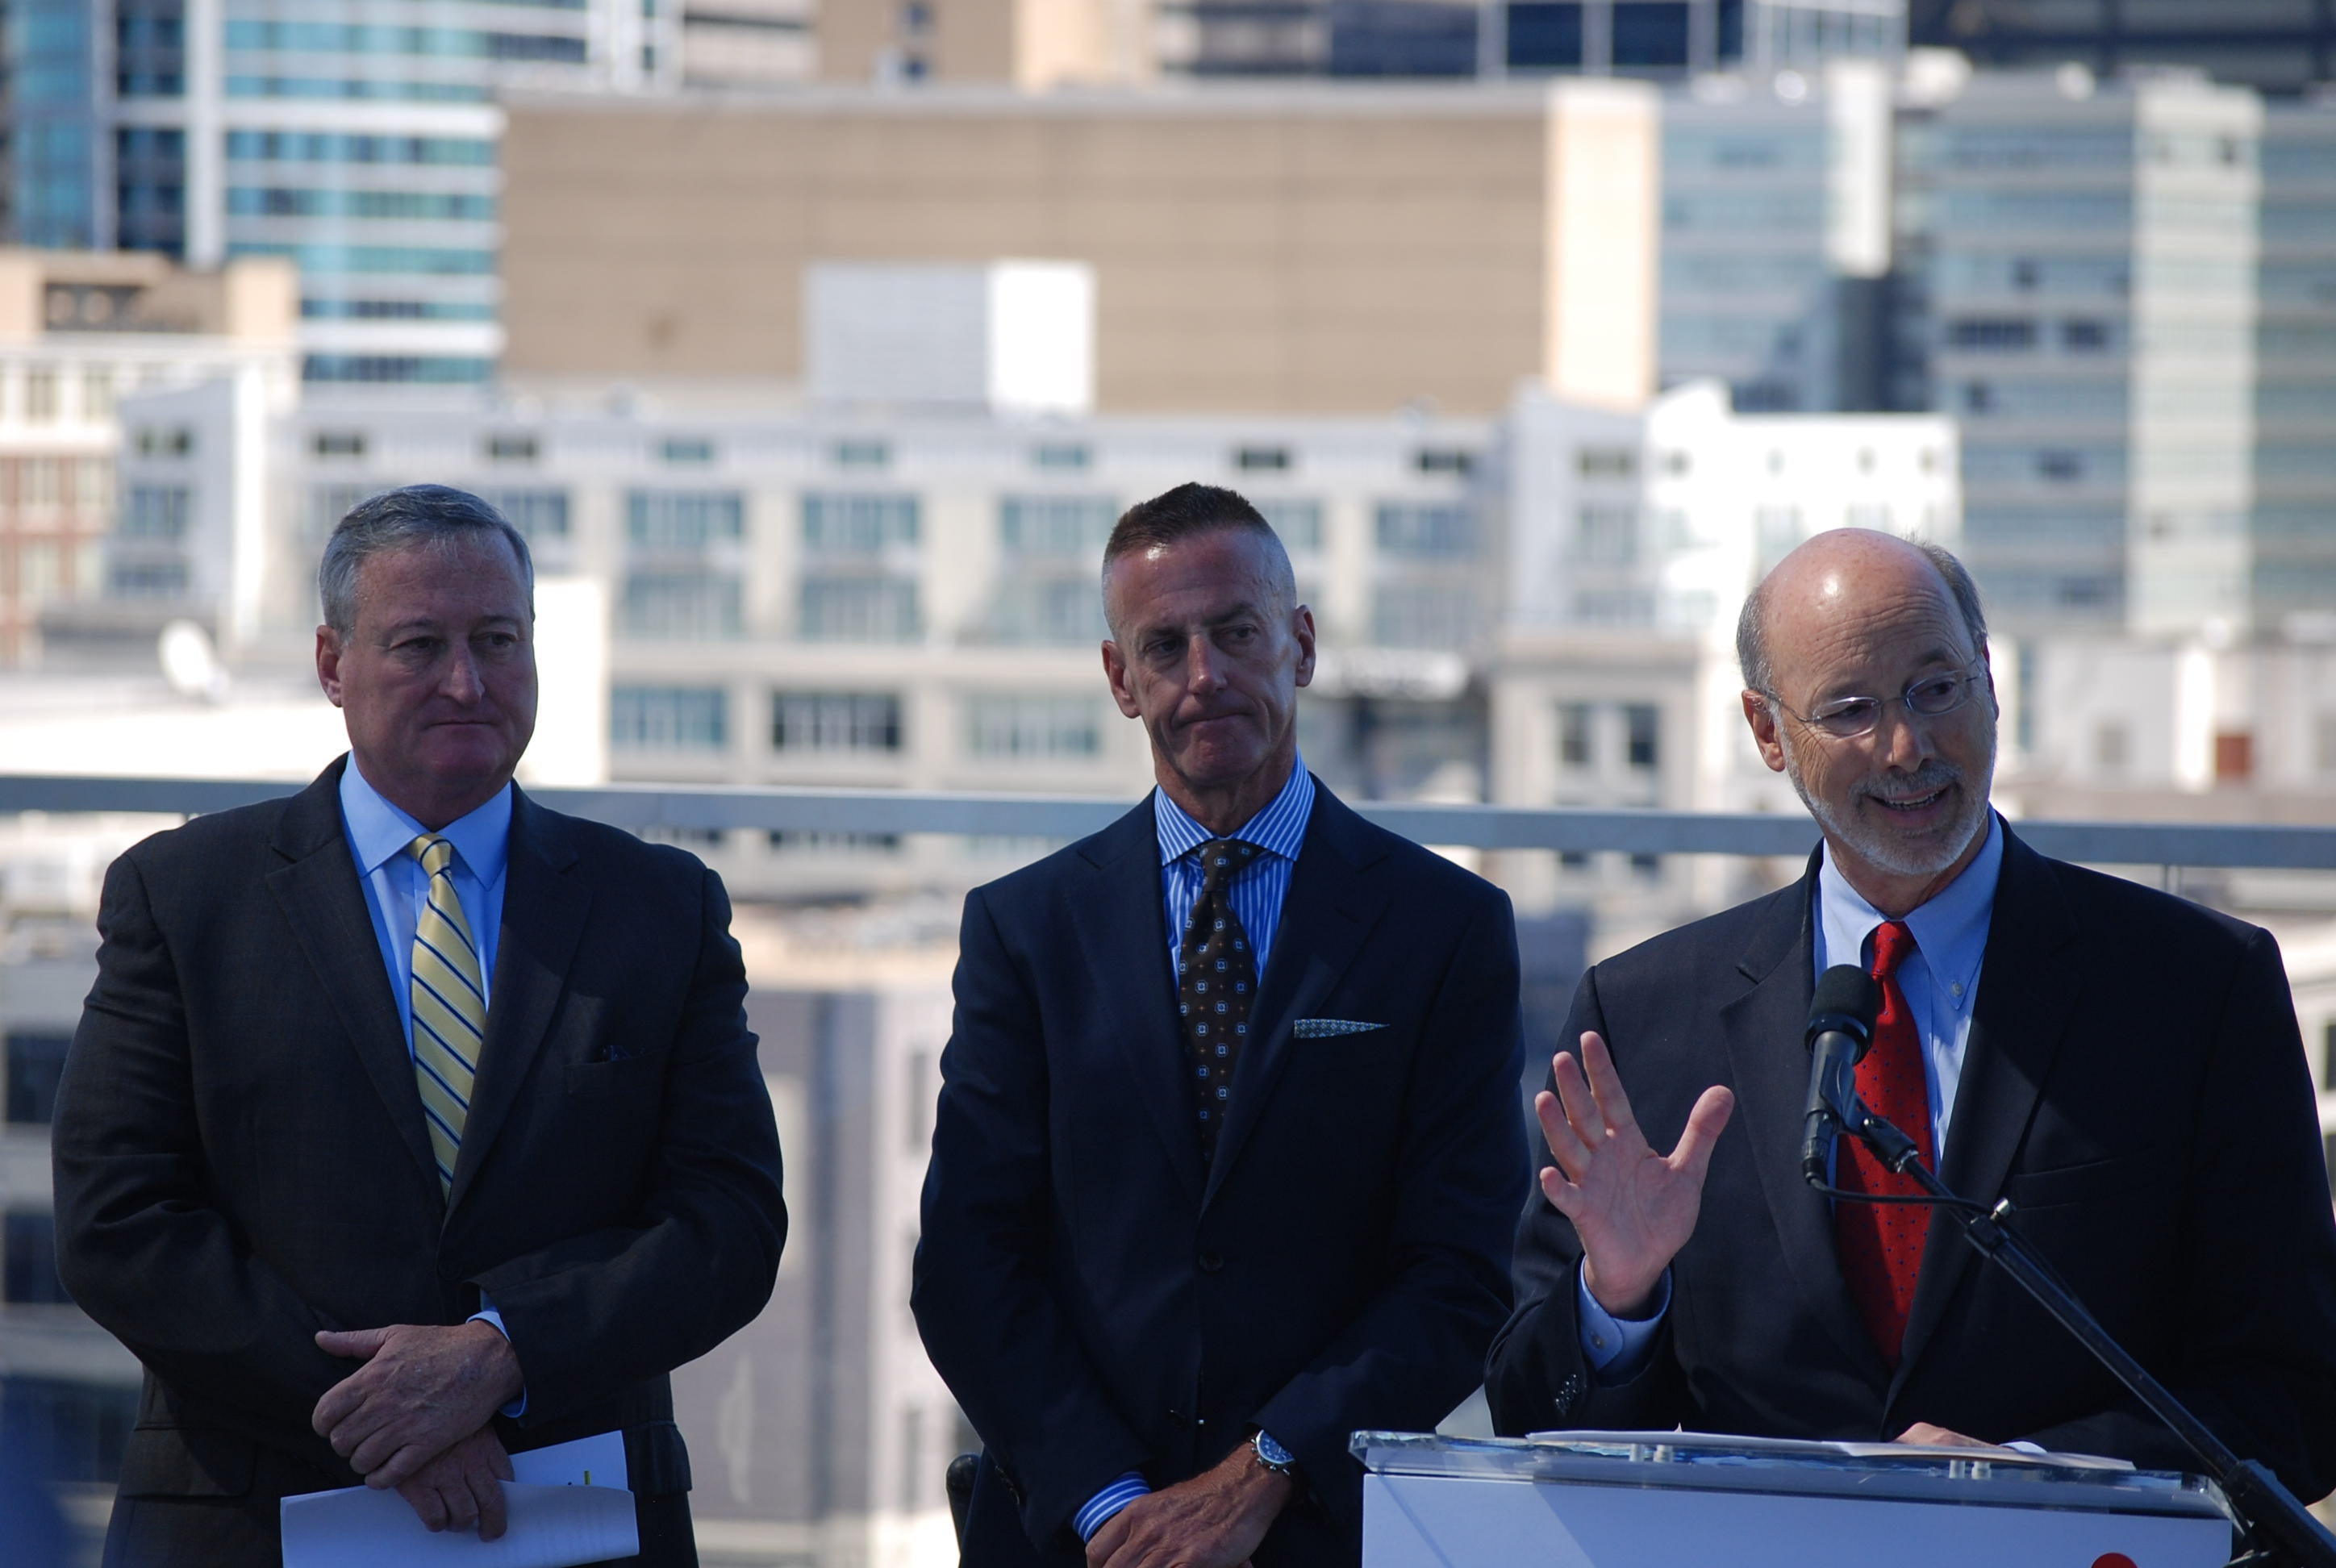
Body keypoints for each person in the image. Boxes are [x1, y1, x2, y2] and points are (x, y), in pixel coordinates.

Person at [1485, 528, 2336, 1499]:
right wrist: (1619, 1298)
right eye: (1851, 710)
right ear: (1768, 733)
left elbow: (2295, 1398)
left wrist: (2025, 1479)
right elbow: (1529, 1419)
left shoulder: (2195, 988)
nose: (1908, 747)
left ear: (1989, 679)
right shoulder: (1642, 1017)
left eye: (1937, 689)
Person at [52, 486, 788, 1566]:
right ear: (330, 662)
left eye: (498, 640)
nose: (466, 681)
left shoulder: (659, 909)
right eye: (419, 644)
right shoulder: (186, 896)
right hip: (252, 1515)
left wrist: (504, 1353)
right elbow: (120, 1220)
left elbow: (727, 1221)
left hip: (569, 1520)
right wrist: (387, 1414)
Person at [913, 483, 1528, 1567]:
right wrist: (1112, 1509)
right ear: (1120, 679)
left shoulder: (1446, 929)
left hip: (1322, 1533)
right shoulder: (1023, 929)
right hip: (1076, 1540)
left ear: (1301, 643)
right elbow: (968, 1262)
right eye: (1165, 646)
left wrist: (1266, 1474)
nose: (1205, 677)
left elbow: (1460, 1272)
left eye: (1236, 633)